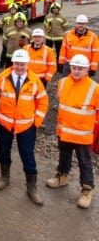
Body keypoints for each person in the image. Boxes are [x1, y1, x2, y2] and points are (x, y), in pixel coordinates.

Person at [0, 49, 49, 206]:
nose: (19, 67)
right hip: (4, 123)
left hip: (26, 126)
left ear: (27, 64)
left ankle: (31, 186)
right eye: (17, 63)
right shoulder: (3, 77)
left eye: (22, 64)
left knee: (27, 155)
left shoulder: (34, 80)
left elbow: (43, 101)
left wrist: (36, 121)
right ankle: (5, 177)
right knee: (4, 150)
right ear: (13, 63)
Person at [46, 54, 99, 209]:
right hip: (64, 132)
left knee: (84, 161)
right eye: (74, 68)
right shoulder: (62, 83)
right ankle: (62, 177)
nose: (76, 71)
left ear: (87, 70)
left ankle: (87, 189)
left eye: (80, 69)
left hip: (82, 135)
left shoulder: (94, 88)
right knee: (64, 156)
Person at [44, 2, 68, 69]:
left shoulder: (62, 17)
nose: (55, 10)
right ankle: (48, 65)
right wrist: (47, 29)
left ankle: (59, 66)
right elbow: (45, 24)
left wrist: (60, 32)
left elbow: (65, 26)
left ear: (59, 9)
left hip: (59, 38)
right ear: (51, 9)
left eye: (56, 8)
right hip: (49, 37)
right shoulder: (48, 16)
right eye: (53, 8)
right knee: (48, 52)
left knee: (59, 52)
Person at [0, 3, 19, 69]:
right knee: (4, 50)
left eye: (14, 9)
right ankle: (1, 64)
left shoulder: (18, 16)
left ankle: (13, 64)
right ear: (9, 9)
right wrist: (4, 28)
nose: (13, 10)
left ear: (16, 10)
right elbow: (0, 23)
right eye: (12, 9)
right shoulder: (5, 16)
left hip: (15, 37)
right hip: (6, 36)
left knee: (14, 50)